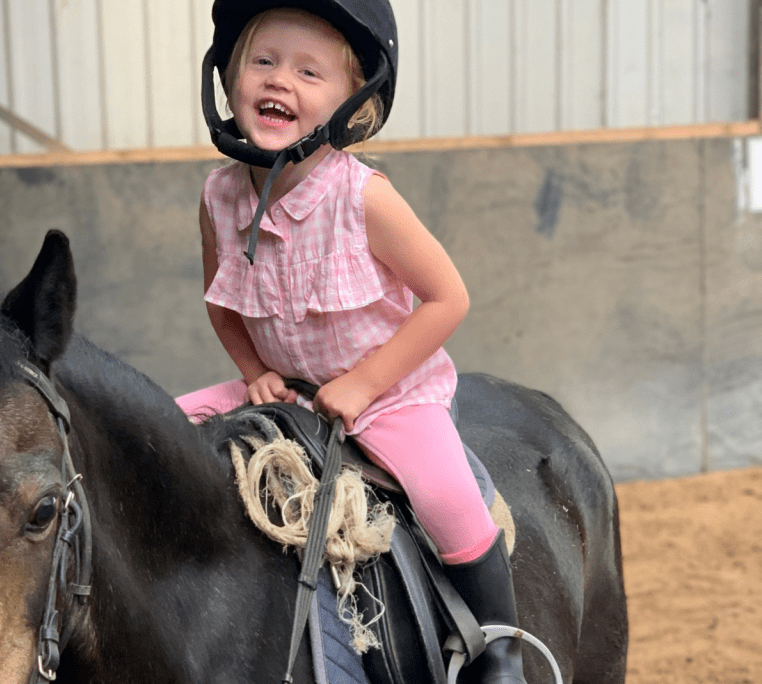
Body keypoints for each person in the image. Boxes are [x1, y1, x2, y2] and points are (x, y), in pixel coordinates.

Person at [180, 2, 527, 682]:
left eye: (311, 71)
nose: (282, 81)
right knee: (163, 429)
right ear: (229, 79)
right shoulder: (219, 195)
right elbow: (220, 301)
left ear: (351, 105)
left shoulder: (363, 198)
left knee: (447, 495)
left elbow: (447, 297)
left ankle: (502, 654)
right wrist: (252, 371)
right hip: (290, 392)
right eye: (264, 62)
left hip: (390, 393)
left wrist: (364, 384)